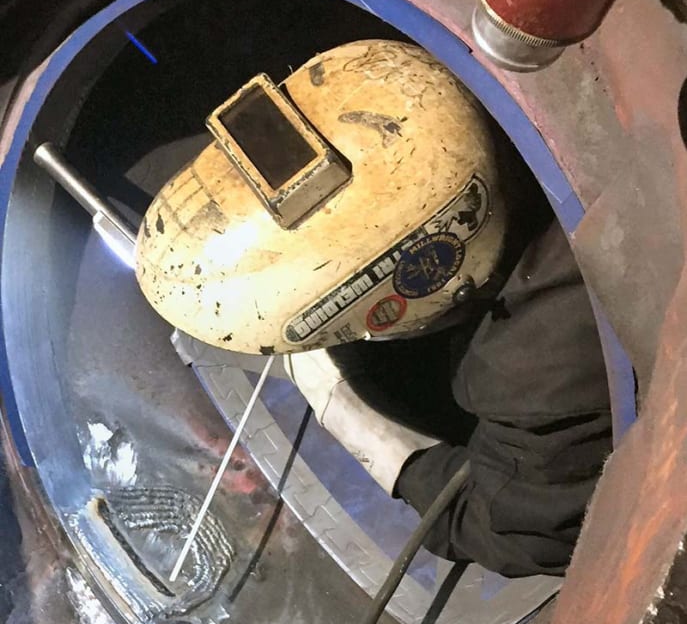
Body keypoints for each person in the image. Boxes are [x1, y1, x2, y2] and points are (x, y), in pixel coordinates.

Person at [136, 39, 613, 578]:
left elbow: (521, 534)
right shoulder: (517, 72)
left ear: (431, 275)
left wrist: (387, 447)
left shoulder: (528, 379)